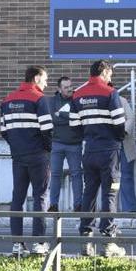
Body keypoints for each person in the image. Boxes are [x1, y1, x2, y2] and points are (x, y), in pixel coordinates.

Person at [73, 60, 128, 257]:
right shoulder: (110, 93)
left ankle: (86, 238)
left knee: (89, 193)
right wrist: (118, 137)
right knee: (110, 193)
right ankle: (108, 241)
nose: (111, 78)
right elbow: (120, 123)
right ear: (104, 72)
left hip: (89, 150)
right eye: (110, 74)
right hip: (109, 151)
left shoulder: (77, 94)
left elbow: (74, 124)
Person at [1, 66, 54, 257]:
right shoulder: (39, 99)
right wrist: (47, 148)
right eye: (45, 79)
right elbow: (47, 129)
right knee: (40, 196)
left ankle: (17, 244)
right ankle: (39, 243)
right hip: (38, 154)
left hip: (18, 155)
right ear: (36, 78)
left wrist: (17, 145)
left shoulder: (7, 100)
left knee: (18, 198)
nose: (46, 83)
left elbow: (4, 131)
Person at [47, 76, 82, 212]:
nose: (70, 89)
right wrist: (69, 117)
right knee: (55, 174)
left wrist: (61, 115)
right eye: (66, 87)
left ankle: (78, 205)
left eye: (70, 86)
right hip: (57, 143)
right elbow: (53, 118)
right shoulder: (52, 101)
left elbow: (80, 118)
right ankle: (53, 205)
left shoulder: (77, 100)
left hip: (75, 143)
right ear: (59, 89)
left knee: (76, 174)